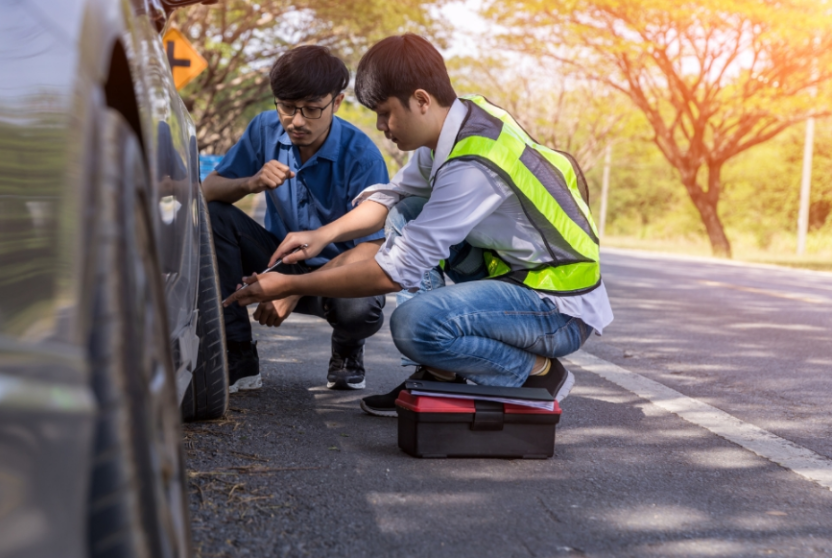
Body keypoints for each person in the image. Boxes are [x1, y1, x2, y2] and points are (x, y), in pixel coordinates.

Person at [223, 34, 613, 417]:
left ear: (421, 100)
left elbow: (395, 273)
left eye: (385, 112)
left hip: (557, 307)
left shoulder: (472, 165)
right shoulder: (459, 121)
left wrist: (290, 284)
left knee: (414, 326)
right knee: (407, 209)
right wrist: (322, 235)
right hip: (516, 277)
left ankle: (537, 372)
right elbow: (391, 197)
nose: (380, 125)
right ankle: (437, 374)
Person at [202, 45, 390, 393]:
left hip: (339, 275)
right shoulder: (264, 128)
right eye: (287, 107)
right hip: (279, 260)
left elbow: (377, 247)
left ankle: (348, 348)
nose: (297, 121)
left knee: (359, 309)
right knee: (215, 217)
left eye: (312, 109)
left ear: (336, 102)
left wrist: (293, 288)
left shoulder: (361, 154)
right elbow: (208, 190)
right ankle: (238, 353)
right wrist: (251, 182)